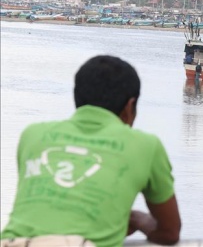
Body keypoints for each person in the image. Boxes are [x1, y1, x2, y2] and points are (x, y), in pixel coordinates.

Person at [1, 55, 181, 247]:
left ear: (76, 96)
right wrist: (138, 219)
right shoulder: (147, 145)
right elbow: (169, 232)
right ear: (130, 107)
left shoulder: (33, 135)